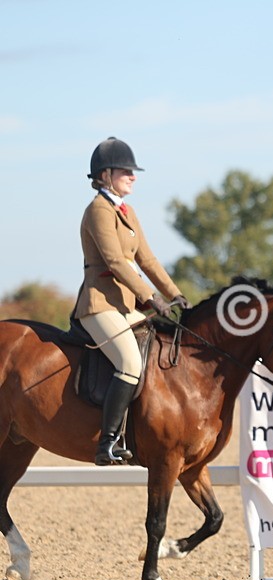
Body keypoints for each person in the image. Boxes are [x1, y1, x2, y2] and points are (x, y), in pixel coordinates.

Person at [74, 137, 189, 465]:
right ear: (106, 175)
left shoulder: (128, 211)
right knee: (130, 363)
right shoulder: (98, 210)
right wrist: (150, 298)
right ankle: (107, 443)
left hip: (125, 307)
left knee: (158, 350)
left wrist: (175, 294)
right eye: (126, 170)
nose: (133, 176)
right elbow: (116, 262)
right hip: (100, 305)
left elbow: (147, 259)